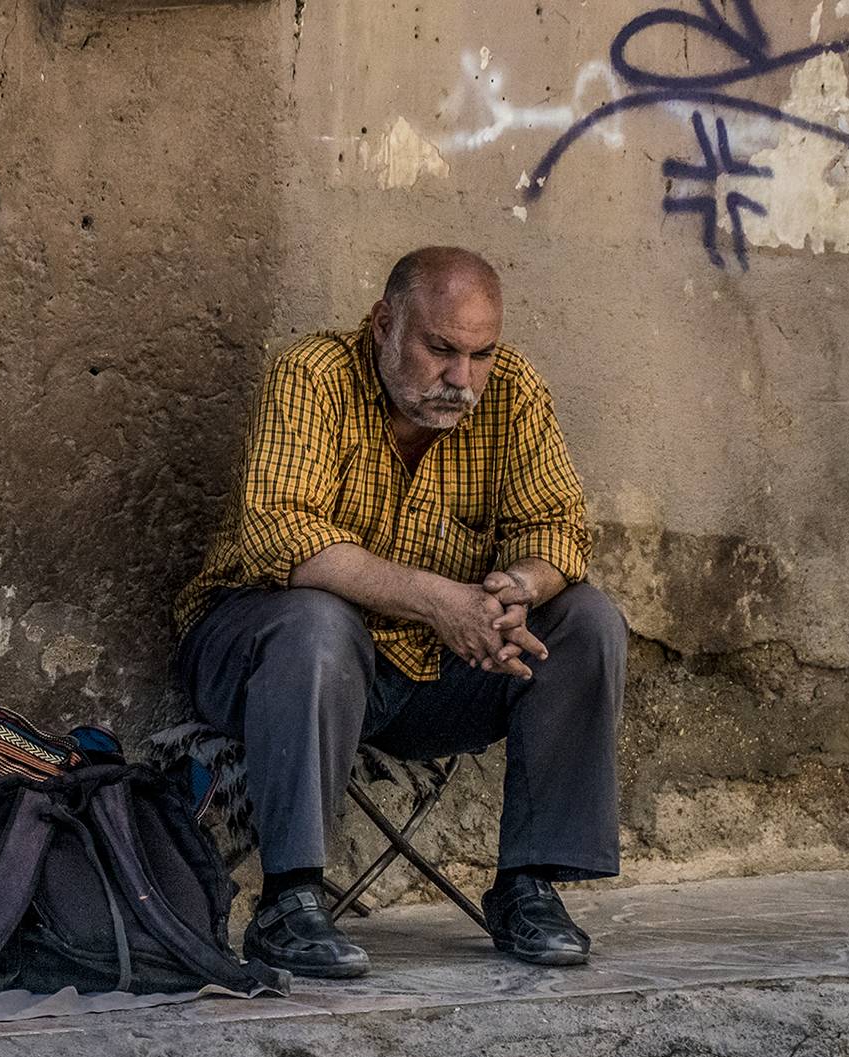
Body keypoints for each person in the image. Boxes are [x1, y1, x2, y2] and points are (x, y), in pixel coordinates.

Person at [174, 246, 626, 978]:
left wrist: (513, 590)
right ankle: (289, 900)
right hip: (269, 660)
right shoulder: (313, 375)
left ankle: (530, 885)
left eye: (479, 355)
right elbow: (282, 532)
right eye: (440, 349)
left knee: (586, 620)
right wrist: (442, 600)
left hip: (425, 676)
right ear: (385, 324)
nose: (462, 378)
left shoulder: (512, 392)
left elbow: (559, 528)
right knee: (317, 620)